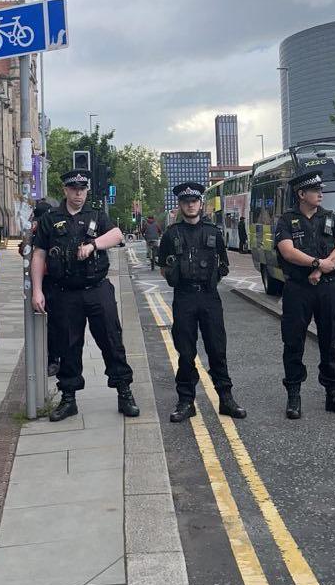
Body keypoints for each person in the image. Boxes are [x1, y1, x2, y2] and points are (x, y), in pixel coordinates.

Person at [30, 168, 138, 421]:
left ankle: (124, 392)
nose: (79, 193)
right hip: (64, 293)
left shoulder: (96, 216)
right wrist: (37, 290)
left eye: (83, 189)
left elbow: (117, 235)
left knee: (112, 341)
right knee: (67, 346)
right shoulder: (50, 218)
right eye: (74, 189)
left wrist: (92, 245)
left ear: (87, 191)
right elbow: (39, 255)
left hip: (96, 290)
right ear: (65, 190)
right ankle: (68, 398)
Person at [274, 169, 335, 419]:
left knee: (331, 341)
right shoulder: (286, 221)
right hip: (298, 289)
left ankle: (333, 395)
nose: (321, 194)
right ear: (301, 194)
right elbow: (288, 251)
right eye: (315, 190)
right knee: (293, 342)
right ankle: (294, 396)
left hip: (328, 288)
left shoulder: (332, 218)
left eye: (321, 190)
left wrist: (324, 266)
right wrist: (317, 264)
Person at [159, 182, 244, 422]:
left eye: (194, 201)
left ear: (200, 203)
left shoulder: (214, 232)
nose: (190, 205)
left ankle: (226, 399)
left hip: (209, 297)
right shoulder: (171, 234)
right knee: (185, 352)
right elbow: (164, 267)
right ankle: (186, 401)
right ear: (180, 205)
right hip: (184, 297)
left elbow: (223, 264)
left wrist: (212, 278)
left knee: (217, 349)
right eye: (186, 202)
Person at [28, 199, 62, 377]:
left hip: (54, 280)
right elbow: (25, 252)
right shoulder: (35, 232)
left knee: (56, 324)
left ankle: (54, 359)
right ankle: (49, 358)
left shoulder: (54, 230)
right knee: (44, 324)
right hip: (40, 282)